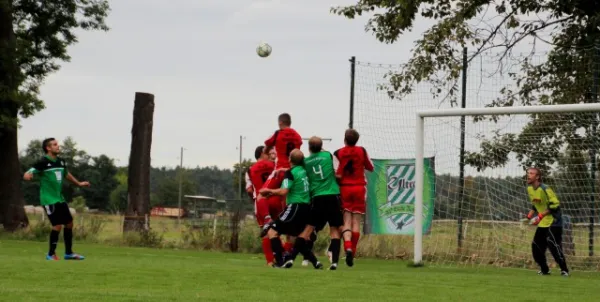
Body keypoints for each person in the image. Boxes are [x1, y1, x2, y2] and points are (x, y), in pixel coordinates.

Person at [23, 138, 90, 261]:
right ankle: (51, 254)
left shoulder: (61, 161)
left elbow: (66, 174)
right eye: (55, 145)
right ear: (48, 148)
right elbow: (29, 171)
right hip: (48, 199)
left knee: (69, 223)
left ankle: (69, 253)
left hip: (59, 198)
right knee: (57, 225)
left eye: (57, 144)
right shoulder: (43, 162)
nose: (58, 146)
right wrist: (27, 175)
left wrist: (79, 183)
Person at [259, 149, 322, 269]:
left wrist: (269, 191)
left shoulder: (291, 173)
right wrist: (283, 170)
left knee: (272, 231)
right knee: (298, 237)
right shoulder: (305, 171)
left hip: (295, 206)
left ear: (289, 160)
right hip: (307, 208)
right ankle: (315, 262)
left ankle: (279, 261)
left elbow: (283, 191)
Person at [300, 136, 344, 270]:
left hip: (317, 198)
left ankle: (309, 259)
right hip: (332, 195)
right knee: (335, 230)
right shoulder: (327, 156)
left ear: (309, 148)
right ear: (321, 146)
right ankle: (334, 262)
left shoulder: (305, 161)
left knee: (308, 230)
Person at [334, 129, 374, 263]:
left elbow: (336, 173)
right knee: (356, 221)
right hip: (359, 187)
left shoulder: (338, 153)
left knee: (346, 221)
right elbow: (371, 167)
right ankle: (353, 252)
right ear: (357, 140)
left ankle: (347, 247)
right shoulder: (362, 151)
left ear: (344, 139)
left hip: (345, 188)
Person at [524, 167, 569, 276]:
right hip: (543, 222)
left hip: (554, 221)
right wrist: (528, 217)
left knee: (552, 245)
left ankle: (564, 270)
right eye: (528, 173)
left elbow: (555, 205)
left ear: (537, 177)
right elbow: (535, 204)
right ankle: (545, 269)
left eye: (531, 173)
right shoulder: (530, 189)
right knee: (536, 246)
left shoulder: (545, 188)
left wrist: (540, 216)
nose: (528, 175)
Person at [246, 145, 282, 266]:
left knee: (266, 231)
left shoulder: (250, 170)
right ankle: (281, 256)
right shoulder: (274, 166)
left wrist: (255, 200)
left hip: (261, 202)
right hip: (276, 199)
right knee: (277, 229)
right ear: (261, 153)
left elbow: (249, 190)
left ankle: (270, 261)